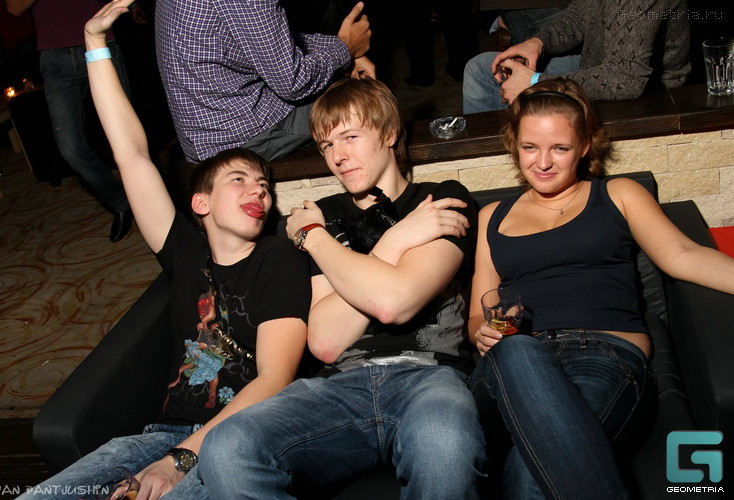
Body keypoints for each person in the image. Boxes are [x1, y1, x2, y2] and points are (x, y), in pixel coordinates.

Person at [17, 2, 311, 498]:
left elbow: (274, 380)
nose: (258, 191)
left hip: (239, 440)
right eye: (239, 180)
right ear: (201, 202)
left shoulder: (278, 258)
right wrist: (94, 44)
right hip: (159, 438)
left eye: (264, 185)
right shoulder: (184, 253)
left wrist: (181, 460)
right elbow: (130, 152)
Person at [162, 77, 488, 498]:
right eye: (327, 145)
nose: (338, 157)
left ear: (390, 133)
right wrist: (393, 239)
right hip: (338, 385)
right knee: (228, 445)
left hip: (429, 377)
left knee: (444, 441)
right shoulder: (324, 216)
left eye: (350, 137)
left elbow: (395, 303)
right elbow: (326, 341)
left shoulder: (440, 199)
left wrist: (316, 238)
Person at [466, 77, 734, 499]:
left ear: (585, 146)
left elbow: (683, 254)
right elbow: (477, 314)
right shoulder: (491, 217)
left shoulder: (617, 194)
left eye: (560, 148)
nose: (543, 162)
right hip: (515, 366)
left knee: (528, 473)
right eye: (530, 147)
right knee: (517, 350)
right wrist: (481, 332)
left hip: (606, 356)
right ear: (514, 146)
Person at [155, 0, 374, 164]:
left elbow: (265, 40)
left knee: (349, 81)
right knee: (367, 98)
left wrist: (343, 46)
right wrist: (345, 49)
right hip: (239, 136)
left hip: (205, 133)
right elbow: (293, 83)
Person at [5, 0, 135, 242]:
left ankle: (151, 202)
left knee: (127, 137)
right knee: (71, 148)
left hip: (100, 41)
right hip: (54, 57)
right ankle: (120, 201)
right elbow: (14, 7)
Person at [462, 0, 691, 113]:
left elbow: (624, 80)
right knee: (482, 69)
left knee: (518, 85)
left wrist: (535, 81)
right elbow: (579, 16)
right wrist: (538, 42)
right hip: (597, 62)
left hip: (646, 90)